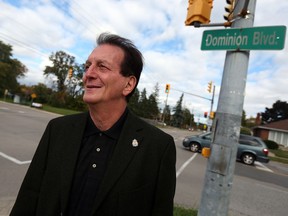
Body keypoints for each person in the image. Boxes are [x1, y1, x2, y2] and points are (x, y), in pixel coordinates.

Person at [10, 33, 176, 216]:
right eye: (87, 66)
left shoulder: (157, 147)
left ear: (128, 84)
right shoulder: (57, 130)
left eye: (102, 67)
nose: (88, 74)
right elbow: (29, 196)